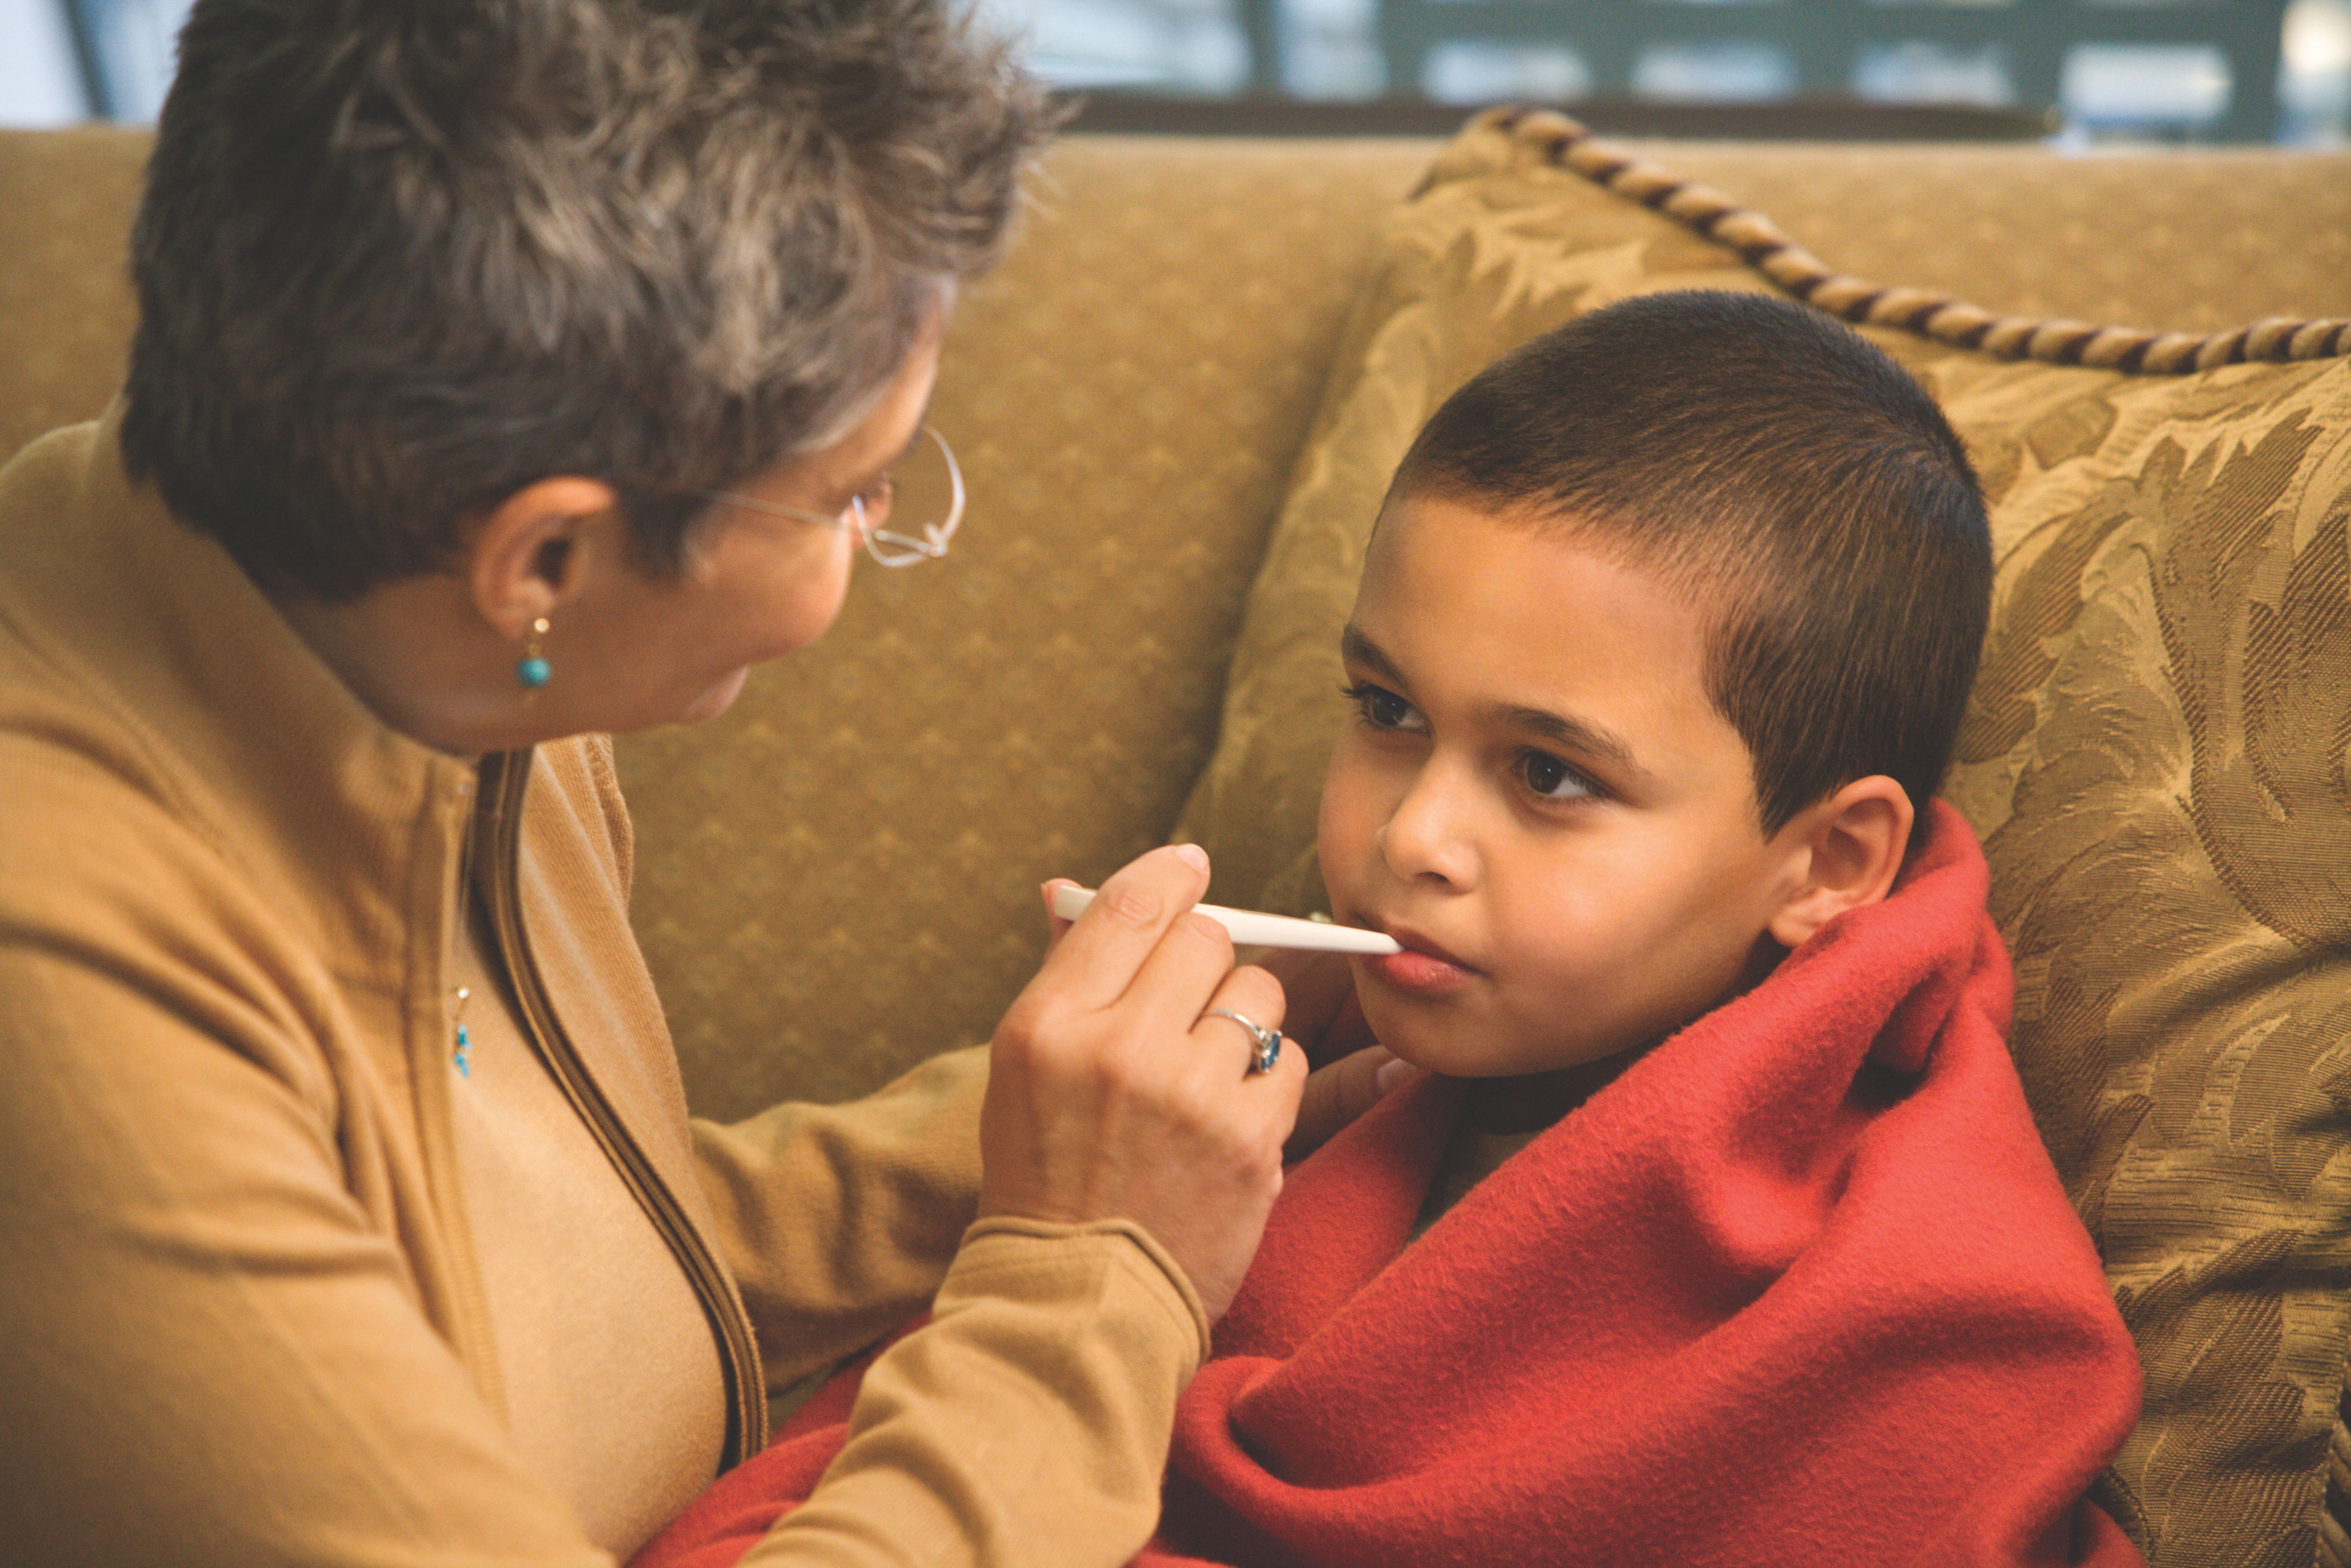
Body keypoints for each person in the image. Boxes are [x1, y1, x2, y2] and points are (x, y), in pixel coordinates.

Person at [0, 2, 1401, 1564]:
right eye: (850, 490)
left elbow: (532, 1296)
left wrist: (1080, 1128)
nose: (872, 538)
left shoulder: (398, 628)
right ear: (542, 557)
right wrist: (1096, 1267)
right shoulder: (59, 1000)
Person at [626, 292, 2147, 1568]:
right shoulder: (1295, 1054)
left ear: (1828, 859)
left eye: (1549, 775)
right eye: (1384, 712)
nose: (1411, 836)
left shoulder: (1919, 1309)